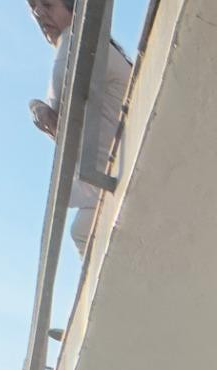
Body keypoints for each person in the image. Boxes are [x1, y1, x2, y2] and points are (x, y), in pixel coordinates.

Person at [27, 0, 133, 255]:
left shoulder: (75, 43)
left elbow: (59, 120)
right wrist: (36, 107)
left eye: (47, 5)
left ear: (75, 8)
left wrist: (38, 108)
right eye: (33, 8)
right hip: (111, 175)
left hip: (122, 171)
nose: (39, 14)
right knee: (82, 231)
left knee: (83, 233)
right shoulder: (88, 44)